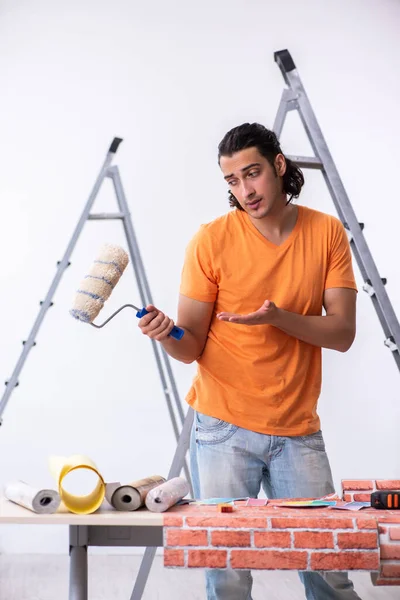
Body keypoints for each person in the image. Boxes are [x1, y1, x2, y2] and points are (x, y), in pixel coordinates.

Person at [138, 122, 360, 600]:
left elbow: (342, 333)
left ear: (279, 166)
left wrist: (279, 318)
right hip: (223, 428)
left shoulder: (327, 233)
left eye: (252, 173)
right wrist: (165, 334)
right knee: (227, 572)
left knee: (325, 562)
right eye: (232, 182)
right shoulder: (210, 240)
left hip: (297, 428)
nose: (245, 190)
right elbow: (189, 346)